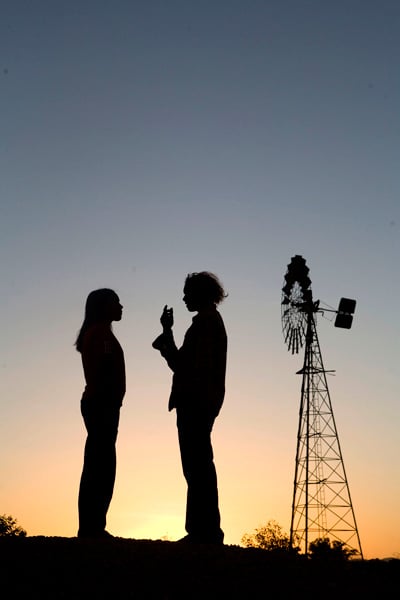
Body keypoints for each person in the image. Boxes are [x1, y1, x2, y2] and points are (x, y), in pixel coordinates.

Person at [153, 272, 227, 544]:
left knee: (197, 466)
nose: (184, 298)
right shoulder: (207, 322)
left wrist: (167, 338)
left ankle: (204, 531)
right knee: (198, 465)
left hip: (196, 401)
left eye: (188, 292)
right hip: (201, 400)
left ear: (201, 293)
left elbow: (184, 365)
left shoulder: (205, 324)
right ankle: (202, 529)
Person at [75, 288, 125, 538]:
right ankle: (91, 527)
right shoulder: (100, 335)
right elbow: (102, 371)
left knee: (100, 463)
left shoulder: (100, 333)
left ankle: (93, 526)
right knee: (100, 465)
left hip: (103, 404)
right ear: (104, 306)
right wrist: (110, 398)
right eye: (116, 302)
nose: (121, 306)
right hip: (101, 404)